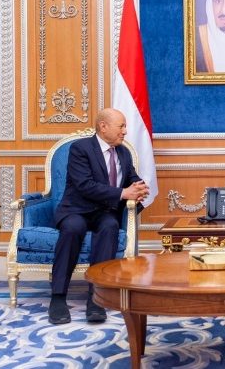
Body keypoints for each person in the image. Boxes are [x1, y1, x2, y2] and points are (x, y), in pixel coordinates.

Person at [48, 108, 150, 324]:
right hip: (77, 209)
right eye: (121, 126)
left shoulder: (124, 152)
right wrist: (123, 193)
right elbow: (85, 185)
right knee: (72, 228)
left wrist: (139, 188)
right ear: (103, 127)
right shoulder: (81, 148)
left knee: (110, 227)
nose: (125, 131)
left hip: (105, 211)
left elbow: (132, 178)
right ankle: (57, 298)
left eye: (125, 126)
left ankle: (97, 297)